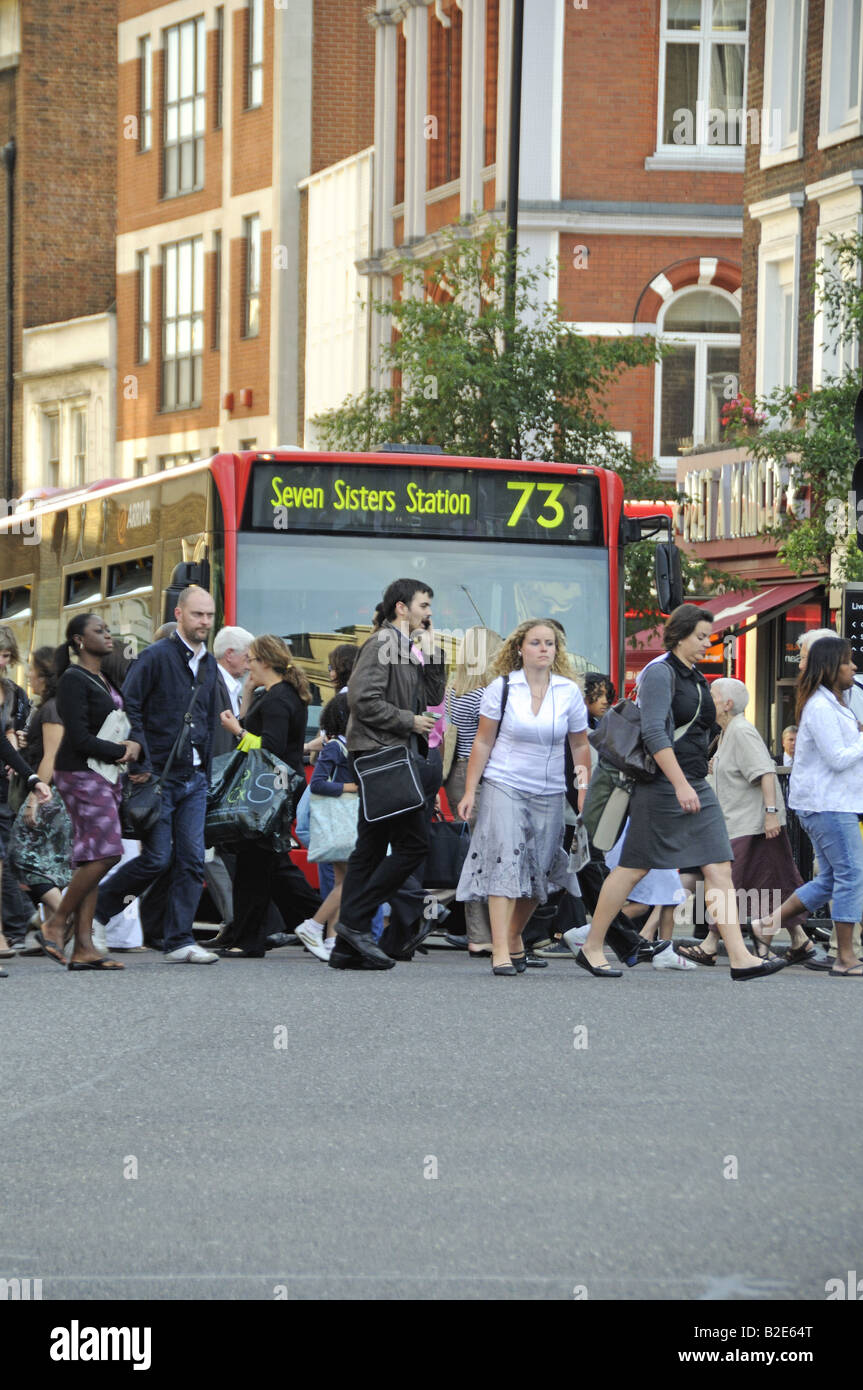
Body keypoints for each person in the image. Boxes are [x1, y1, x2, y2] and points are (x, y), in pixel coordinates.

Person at [578, 604, 783, 981]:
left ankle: (739, 957)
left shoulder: (696, 677)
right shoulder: (660, 673)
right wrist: (680, 782)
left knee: (720, 866)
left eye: (709, 636)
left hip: (694, 784)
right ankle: (592, 946)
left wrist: (698, 767)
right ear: (680, 635)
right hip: (662, 786)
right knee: (632, 869)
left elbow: (698, 729)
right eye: (701, 637)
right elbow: (655, 732)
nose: (707, 643)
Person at [93, 586, 221, 963]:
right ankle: (97, 913)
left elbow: (208, 722)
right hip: (158, 776)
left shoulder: (209, 663)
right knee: (157, 859)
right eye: (198, 615)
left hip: (194, 778)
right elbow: (130, 710)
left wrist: (207, 772)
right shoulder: (154, 657)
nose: (205, 623)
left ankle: (179, 940)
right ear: (179, 615)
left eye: (210, 616)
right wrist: (140, 764)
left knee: (193, 860)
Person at [456, 620, 591, 975]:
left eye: (550, 643)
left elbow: (579, 744)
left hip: (549, 790)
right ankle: (500, 949)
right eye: (536, 642)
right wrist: (471, 790)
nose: (544, 648)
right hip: (504, 784)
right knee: (505, 861)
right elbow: (482, 742)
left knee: (540, 871)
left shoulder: (568, 692)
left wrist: (583, 788)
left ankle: (515, 936)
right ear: (520, 648)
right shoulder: (501, 688)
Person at [331, 578, 446, 970]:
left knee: (370, 850)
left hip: (390, 755)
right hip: (381, 756)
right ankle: (354, 923)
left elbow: (432, 698)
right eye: (424, 606)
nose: (429, 614)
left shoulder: (405, 648)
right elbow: (362, 701)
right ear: (401, 607)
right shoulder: (383, 644)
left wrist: (432, 656)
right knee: (415, 844)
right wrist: (408, 721)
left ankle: (346, 948)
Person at [677, 678, 827, 969]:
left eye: (713, 696)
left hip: (752, 823)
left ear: (727, 704)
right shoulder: (727, 733)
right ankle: (799, 940)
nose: (709, 700)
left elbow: (766, 773)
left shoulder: (742, 731)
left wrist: (771, 812)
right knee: (771, 883)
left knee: (729, 883)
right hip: (743, 822)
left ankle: (710, 944)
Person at [751, 636, 863, 976]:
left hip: (830, 803)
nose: (853, 668)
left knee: (831, 879)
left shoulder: (832, 702)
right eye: (847, 662)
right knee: (851, 875)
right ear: (831, 667)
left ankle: (766, 924)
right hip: (828, 804)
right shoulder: (820, 706)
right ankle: (845, 958)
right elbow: (838, 758)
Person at [36, 614, 136, 970]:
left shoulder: (102, 677)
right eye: (99, 631)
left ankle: (84, 948)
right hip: (80, 772)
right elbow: (78, 738)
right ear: (79, 641)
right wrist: (122, 750)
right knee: (107, 853)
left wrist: (131, 746)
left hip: (103, 774)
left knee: (93, 857)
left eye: (108, 630)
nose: (107, 635)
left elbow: (118, 722)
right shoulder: (73, 680)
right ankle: (55, 921)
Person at [215, 634, 320, 957]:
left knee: (256, 864)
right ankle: (313, 924)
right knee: (267, 863)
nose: (247, 667)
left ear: (265, 662)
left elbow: (269, 747)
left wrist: (238, 732)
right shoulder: (276, 694)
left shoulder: (277, 700)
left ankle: (250, 939)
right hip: (274, 788)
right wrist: (247, 695)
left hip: (270, 790)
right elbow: (251, 726)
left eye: (251, 661)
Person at [441, 627, 503, 957]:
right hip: (482, 774)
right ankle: (483, 934)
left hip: (458, 773)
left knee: (477, 852)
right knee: (489, 855)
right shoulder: (486, 694)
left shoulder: (454, 689)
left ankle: (479, 932)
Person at [8, 646, 73, 952]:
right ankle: (50, 931)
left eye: (33, 670)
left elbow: (51, 756)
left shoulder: (52, 709)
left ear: (45, 675)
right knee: (48, 864)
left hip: (50, 793)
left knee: (21, 855)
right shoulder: (48, 707)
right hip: (54, 792)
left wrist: (36, 796)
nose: (29, 675)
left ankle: (63, 915)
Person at [296, 693, 358, 962]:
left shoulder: (347, 746)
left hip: (343, 823)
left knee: (342, 882)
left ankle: (332, 940)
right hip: (340, 820)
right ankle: (313, 926)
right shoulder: (334, 747)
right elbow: (318, 783)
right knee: (351, 880)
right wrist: (349, 787)